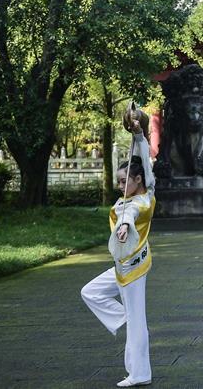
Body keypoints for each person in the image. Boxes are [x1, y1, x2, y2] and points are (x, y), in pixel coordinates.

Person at [81, 113, 155, 387]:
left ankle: (139, 374)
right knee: (90, 292)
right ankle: (124, 318)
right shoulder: (127, 198)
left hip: (135, 267)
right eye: (119, 180)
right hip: (121, 266)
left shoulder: (143, 200)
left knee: (138, 323)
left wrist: (124, 226)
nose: (120, 185)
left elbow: (132, 212)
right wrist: (135, 133)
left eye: (125, 180)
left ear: (138, 180)